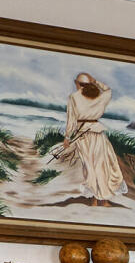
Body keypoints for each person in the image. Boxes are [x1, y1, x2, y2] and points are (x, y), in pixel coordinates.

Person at [46, 71, 128, 205]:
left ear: (77, 84)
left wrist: (67, 137)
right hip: (98, 134)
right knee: (102, 166)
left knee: (90, 168)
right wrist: (96, 82)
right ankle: (104, 200)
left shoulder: (73, 97)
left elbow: (71, 120)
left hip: (83, 137)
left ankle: (95, 200)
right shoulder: (100, 96)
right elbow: (108, 90)